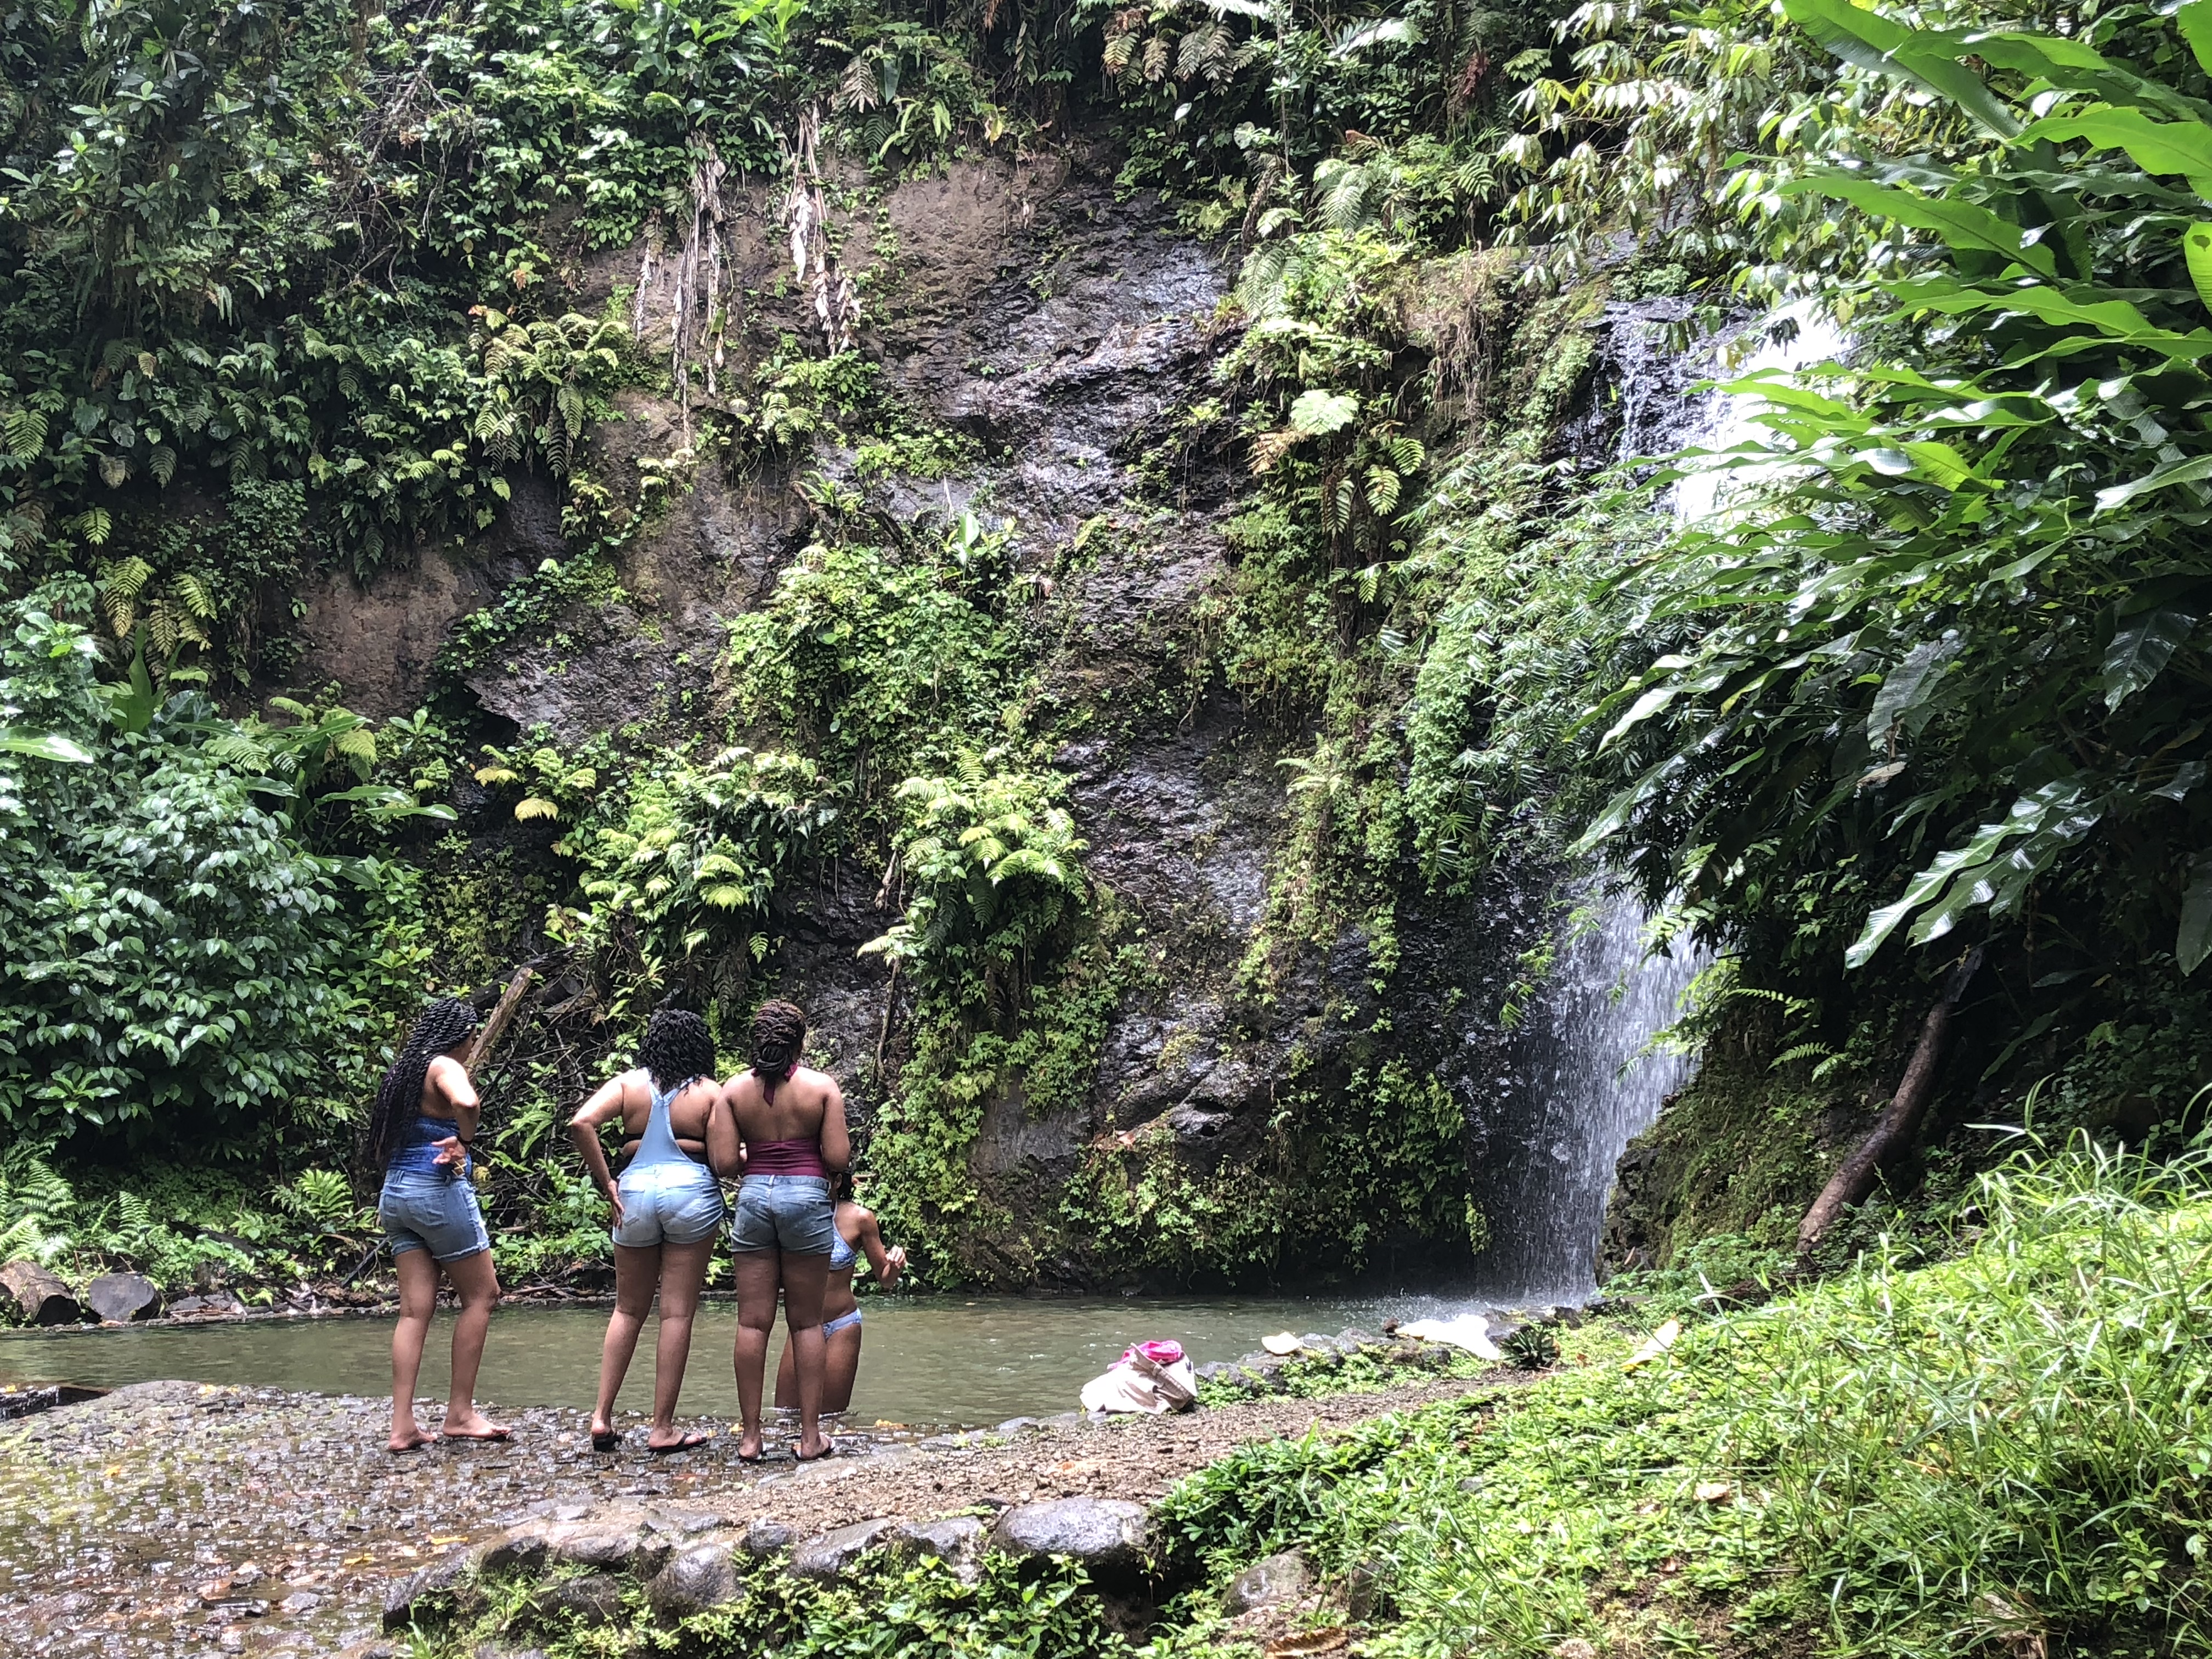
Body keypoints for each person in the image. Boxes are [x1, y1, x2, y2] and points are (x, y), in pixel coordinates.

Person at [568, 1007, 739, 1454]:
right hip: (691, 1193)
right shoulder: (710, 1092)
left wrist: (607, 1182)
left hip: (635, 1193)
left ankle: (601, 1417)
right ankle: (662, 1428)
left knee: (627, 1310)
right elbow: (723, 1163)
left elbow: (581, 1122)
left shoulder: (629, 1084)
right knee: (676, 1314)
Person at [368, 996, 509, 1453]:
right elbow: (467, 1101)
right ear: (460, 1036)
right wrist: (464, 1139)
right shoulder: (444, 1065)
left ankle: (402, 1426)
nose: (472, 1046)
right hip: (435, 1191)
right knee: (482, 1295)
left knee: (414, 1311)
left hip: (396, 1194)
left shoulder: (405, 1071)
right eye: (471, 1038)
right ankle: (460, 1413)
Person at [725, 998, 849, 1462]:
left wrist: (758, 1157)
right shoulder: (822, 1089)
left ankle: (750, 1438)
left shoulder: (734, 1091)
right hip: (807, 1199)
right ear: (799, 1043)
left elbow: (723, 1161)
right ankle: (810, 1438)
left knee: (752, 1322)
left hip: (755, 1196)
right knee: (807, 1321)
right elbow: (837, 1158)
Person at [773, 1174, 904, 1415]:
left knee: (831, 1416)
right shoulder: (792, 1213)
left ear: (837, 1181)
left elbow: (886, 1279)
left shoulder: (860, 1219)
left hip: (841, 1325)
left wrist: (895, 1265)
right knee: (785, 1413)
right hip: (803, 1325)